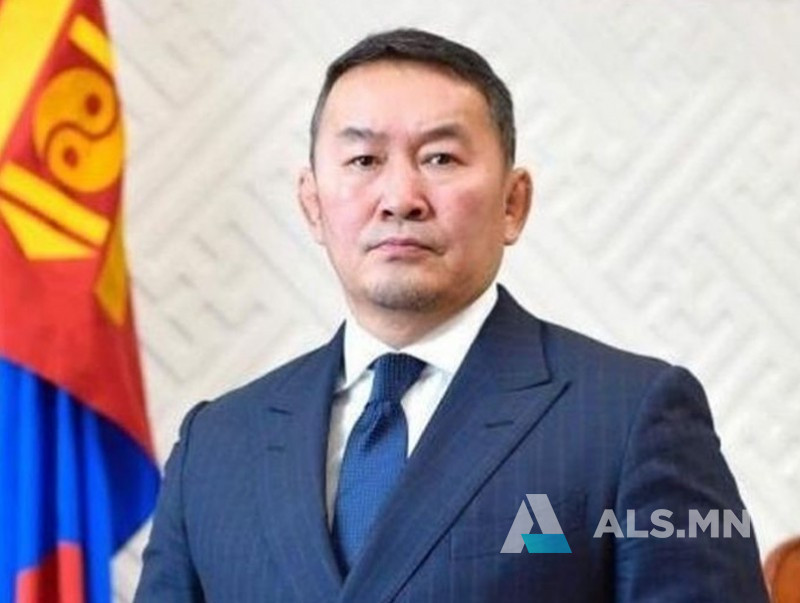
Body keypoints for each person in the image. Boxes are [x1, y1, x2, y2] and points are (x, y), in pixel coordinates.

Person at [134, 28, 769, 602]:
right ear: (312, 205)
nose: (400, 198)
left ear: (513, 203)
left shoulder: (632, 416)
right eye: (363, 160)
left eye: (440, 158)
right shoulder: (216, 445)